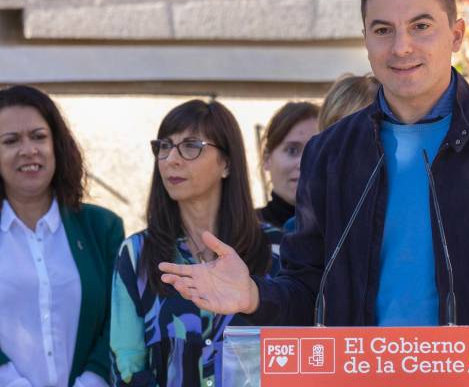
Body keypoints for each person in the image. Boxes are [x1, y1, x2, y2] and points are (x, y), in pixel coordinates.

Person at [159, 0, 469, 328]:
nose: (401, 47)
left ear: (456, 35)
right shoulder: (331, 152)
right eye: (383, 30)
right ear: (366, 42)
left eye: (421, 26)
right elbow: (306, 288)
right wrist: (255, 295)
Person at [110, 100, 272, 386]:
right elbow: (126, 365)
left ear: (227, 163)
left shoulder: (275, 248)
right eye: (164, 146)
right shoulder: (138, 254)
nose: (171, 159)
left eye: (191, 146)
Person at [0, 85, 125, 387]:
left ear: (57, 144)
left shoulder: (102, 227)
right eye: (10, 141)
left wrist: (92, 382)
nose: (29, 149)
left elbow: (122, 319)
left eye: (39, 136)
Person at [258, 101, 318, 258]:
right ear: (266, 158)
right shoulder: (242, 232)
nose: (304, 163)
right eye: (292, 150)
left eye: (316, 150)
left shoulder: (343, 232)